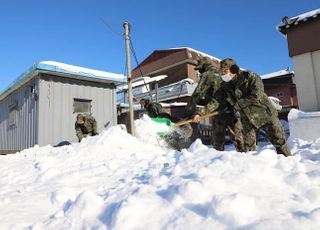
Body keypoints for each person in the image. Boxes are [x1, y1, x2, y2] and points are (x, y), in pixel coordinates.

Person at [219, 58, 291, 157]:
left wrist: (239, 104)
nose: (223, 74)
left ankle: (289, 163)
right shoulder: (226, 86)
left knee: (279, 141)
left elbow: (257, 95)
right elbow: (229, 102)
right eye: (222, 72)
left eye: (225, 71)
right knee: (248, 147)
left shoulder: (249, 76)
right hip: (247, 118)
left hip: (264, 113)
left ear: (234, 69)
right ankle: (252, 169)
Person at [187, 57, 246, 152]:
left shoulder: (207, 75)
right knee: (239, 140)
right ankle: (248, 160)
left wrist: (191, 111)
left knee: (218, 142)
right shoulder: (226, 74)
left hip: (218, 112)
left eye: (200, 70)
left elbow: (197, 94)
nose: (200, 72)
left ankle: (217, 163)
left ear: (203, 67)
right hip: (233, 111)